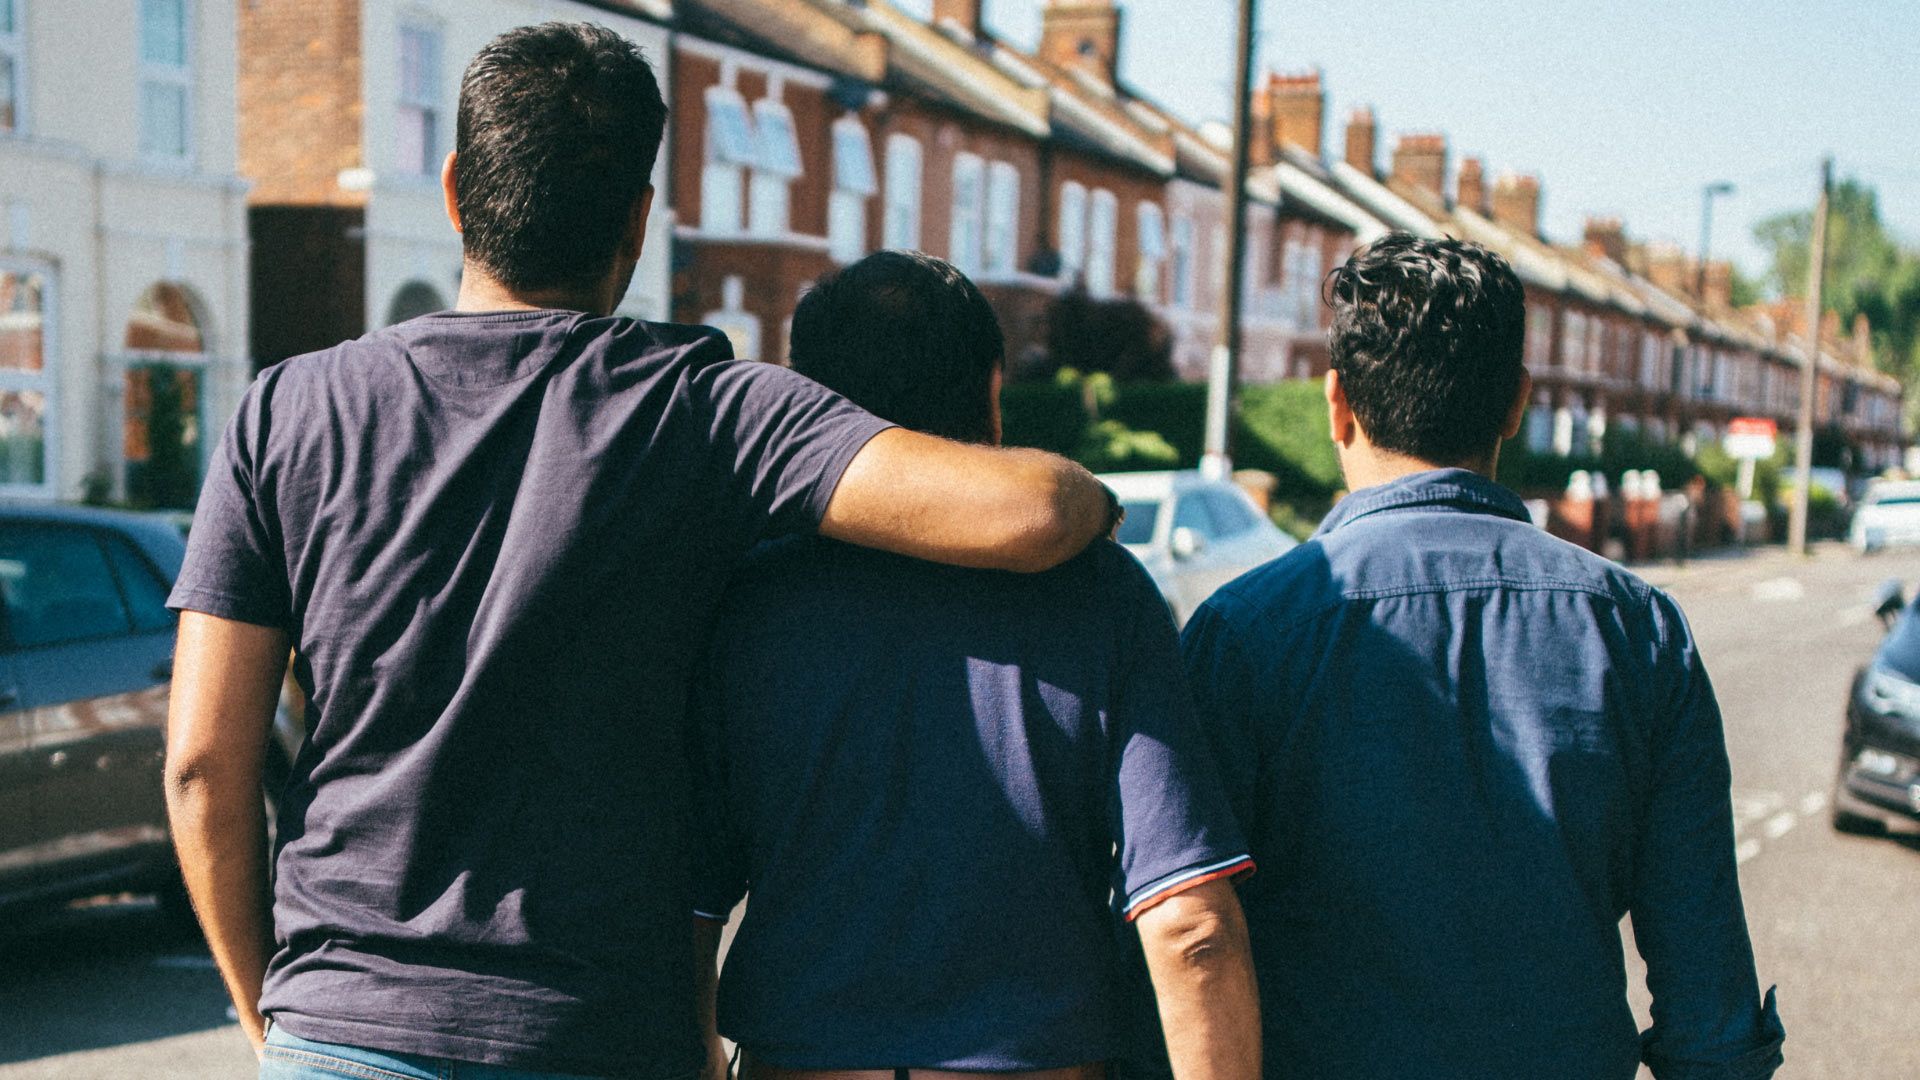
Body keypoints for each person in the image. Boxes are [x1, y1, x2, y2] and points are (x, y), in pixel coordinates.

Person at [162, 24, 1121, 1080]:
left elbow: (206, 764)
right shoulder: (704, 411)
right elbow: (1029, 513)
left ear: (453, 190)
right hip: (597, 1035)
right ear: (638, 216)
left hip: (341, 1026)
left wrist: (273, 1012)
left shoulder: (285, 412)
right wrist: (1093, 491)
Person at [1170, 234, 1784, 1080]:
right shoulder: (1638, 631)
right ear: (1516, 405)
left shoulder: (1242, 636)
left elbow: (1189, 938)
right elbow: (1708, 996)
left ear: (1336, 403)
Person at [689, 251, 1262, 1080]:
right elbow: (1192, 927)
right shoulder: (1102, 595)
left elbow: (688, 916)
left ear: (807, 408)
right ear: (993, 395)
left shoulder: (744, 601)